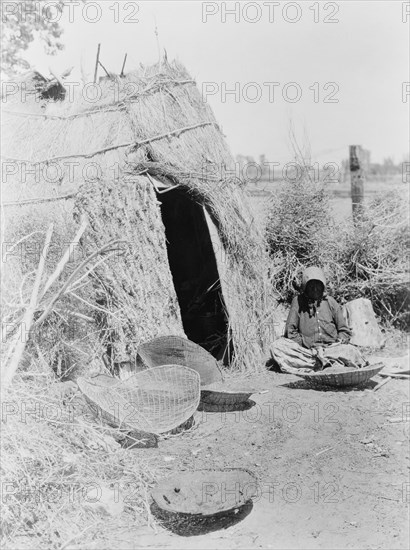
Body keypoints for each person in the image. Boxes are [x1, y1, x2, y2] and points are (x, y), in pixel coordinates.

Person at [270, 266, 366, 374]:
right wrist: (307, 346)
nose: (315, 289)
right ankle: (325, 364)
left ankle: (322, 363)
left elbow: (344, 330)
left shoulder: (331, 302)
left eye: (318, 286)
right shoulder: (298, 302)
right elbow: (290, 331)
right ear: (305, 287)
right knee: (277, 347)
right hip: (308, 352)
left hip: (331, 350)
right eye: (311, 286)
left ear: (323, 287)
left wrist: (338, 342)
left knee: (351, 351)